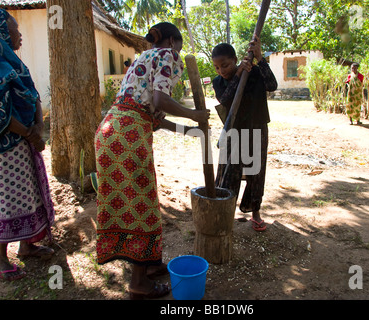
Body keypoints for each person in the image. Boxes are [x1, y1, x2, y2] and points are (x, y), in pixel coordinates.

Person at [94, 22, 210, 300]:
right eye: (179, 49)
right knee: (141, 205)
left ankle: (149, 263)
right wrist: (194, 115)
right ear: (172, 41)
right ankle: (138, 283)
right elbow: (162, 99)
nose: (178, 58)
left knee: (130, 202)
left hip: (110, 132)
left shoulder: (142, 60)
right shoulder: (167, 55)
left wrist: (189, 130)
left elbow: (154, 113)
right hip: (128, 137)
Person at [0, 8, 55, 281]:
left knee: (30, 194)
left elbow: (33, 93)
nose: (19, 35)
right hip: (3, 149)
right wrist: (29, 133)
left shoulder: (12, 62)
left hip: (25, 142)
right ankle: (0, 258)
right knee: (6, 199)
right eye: (14, 31)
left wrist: (38, 126)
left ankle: (27, 245)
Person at [211, 37, 277, 232]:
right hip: (234, 131)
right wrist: (238, 73)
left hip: (257, 129)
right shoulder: (219, 82)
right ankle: (225, 212)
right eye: (217, 67)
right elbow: (225, 99)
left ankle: (255, 211)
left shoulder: (255, 72)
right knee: (229, 172)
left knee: (256, 172)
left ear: (235, 59)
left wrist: (259, 58)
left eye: (225, 65)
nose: (221, 71)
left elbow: (272, 85)